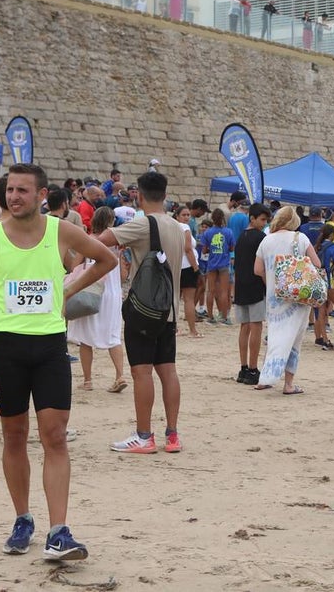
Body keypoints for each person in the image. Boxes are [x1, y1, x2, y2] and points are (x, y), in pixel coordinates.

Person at [0, 163, 116, 560]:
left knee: (55, 436)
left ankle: (59, 531)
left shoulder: (61, 231)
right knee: (13, 436)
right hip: (6, 348)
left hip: (49, 348)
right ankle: (22, 519)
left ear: (42, 195)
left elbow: (105, 260)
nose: (14, 197)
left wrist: (66, 291)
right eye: (10, 190)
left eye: (22, 191)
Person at [99, 171, 186, 455]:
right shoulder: (176, 226)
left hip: (144, 310)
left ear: (139, 194)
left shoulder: (143, 224)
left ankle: (144, 435)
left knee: (141, 372)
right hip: (169, 311)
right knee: (168, 371)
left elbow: (103, 239)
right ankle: (172, 435)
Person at [254, 206, 322, 394]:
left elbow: (257, 270)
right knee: (295, 339)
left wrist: (272, 282)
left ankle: (266, 377)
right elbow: (317, 263)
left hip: (274, 297)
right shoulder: (300, 238)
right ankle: (288, 384)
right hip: (298, 296)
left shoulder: (266, 240)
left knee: (275, 335)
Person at [67, 207, 127, 394]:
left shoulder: (88, 241)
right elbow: (124, 275)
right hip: (112, 293)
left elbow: (74, 266)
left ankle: (87, 380)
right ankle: (119, 375)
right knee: (113, 335)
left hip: (91, 290)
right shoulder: (117, 245)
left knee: (86, 338)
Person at [234, 203, 272, 385]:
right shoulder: (261, 237)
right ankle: (253, 367)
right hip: (255, 286)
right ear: (253, 218)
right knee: (256, 326)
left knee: (244, 327)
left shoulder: (241, 236)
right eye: (262, 219)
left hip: (241, 285)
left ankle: (243, 368)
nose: (264, 223)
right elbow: (263, 265)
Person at [198, 209, 234, 326]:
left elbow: (204, 250)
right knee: (224, 291)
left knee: (210, 291)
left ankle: (210, 317)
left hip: (212, 263)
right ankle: (224, 317)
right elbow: (232, 248)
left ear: (212, 218)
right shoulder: (228, 232)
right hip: (224, 263)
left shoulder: (207, 233)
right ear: (222, 218)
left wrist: (210, 249)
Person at [314, 223, 334, 350]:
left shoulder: (318, 247)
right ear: (332, 234)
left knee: (321, 311)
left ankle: (325, 339)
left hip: (319, 280)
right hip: (330, 281)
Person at [173, 205, 202, 339]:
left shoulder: (172, 227)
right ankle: (192, 330)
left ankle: (174, 328)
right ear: (178, 216)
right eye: (184, 215)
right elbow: (188, 249)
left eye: (188, 215)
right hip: (187, 266)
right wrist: (195, 267)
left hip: (175, 265)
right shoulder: (185, 228)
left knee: (174, 299)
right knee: (189, 299)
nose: (186, 217)